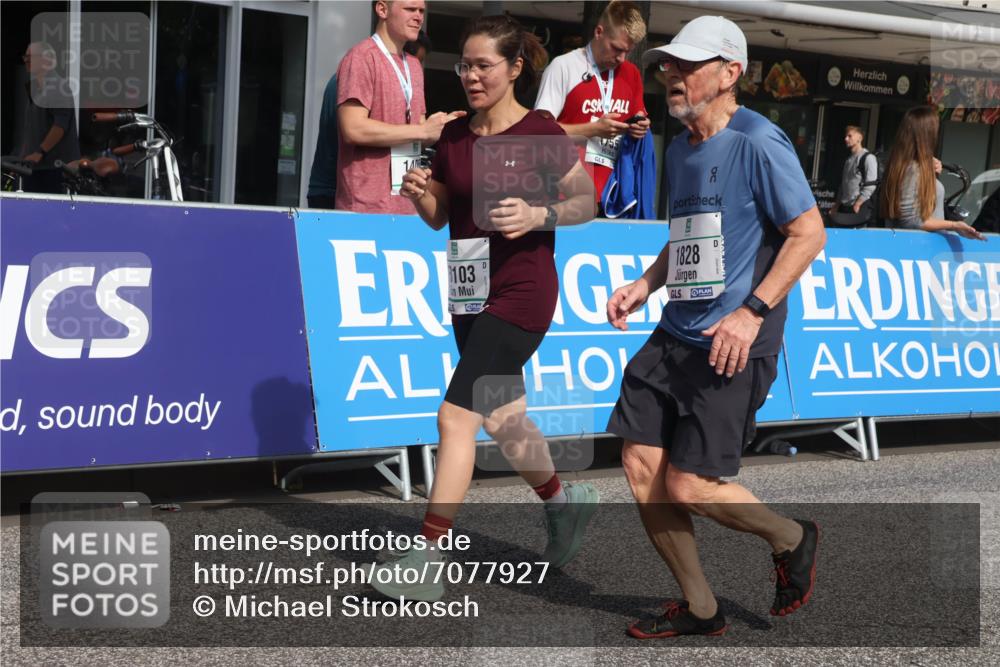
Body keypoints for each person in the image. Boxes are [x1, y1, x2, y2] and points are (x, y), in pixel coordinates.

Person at [605, 16, 827, 638]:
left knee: (692, 486)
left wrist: (750, 312)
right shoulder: (679, 146)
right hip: (676, 331)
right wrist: (646, 284)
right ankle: (702, 607)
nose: (671, 75)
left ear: (731, 73)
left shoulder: (761, 141)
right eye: (668, 64)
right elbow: (687, 238)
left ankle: (792, 536)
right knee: (641, 464)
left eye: (688, 64)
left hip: (734, 341)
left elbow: (809, 234)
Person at [369, 14, 599, 601]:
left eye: (483, 66)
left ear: (515, 67)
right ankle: (563, 504)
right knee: (502, 416)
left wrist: (540, 215)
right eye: (464, 65)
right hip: (469, 291)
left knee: (455, 418)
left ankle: (428, 558)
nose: (470, 76)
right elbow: (445, 214)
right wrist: (424, 194)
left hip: (523, 292)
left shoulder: (540, 133)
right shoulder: (453, 136)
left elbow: (586, 201)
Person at [335, 0, 465, 214]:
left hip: (409, 204)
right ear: (382, 9)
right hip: (365, 206)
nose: (418, 17)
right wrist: (422, 130)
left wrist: (442, 127)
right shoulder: (360, 57)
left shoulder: (413, 65)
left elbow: (418, 134)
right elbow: (352, 129)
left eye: (421, 11)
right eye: (410, 9)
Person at [534, 0, 650, 208]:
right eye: (616, 48)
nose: (621, 58)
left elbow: (638, 115)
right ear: (599, 32)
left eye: (628, 51)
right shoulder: (564, 66)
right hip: (564, 194)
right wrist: (594, 129)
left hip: (613, 196)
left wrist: (639, 126)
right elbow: (539, 133)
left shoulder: (631, 74)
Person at [881, 106, 984, 240]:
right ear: (926, 134)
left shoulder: (905, 166)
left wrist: (930, 172)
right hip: (919, 249)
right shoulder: (912, 169)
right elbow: (912, 221)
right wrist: (954, 225)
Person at [16, 41, 80, 194]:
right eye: (25, 56)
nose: (26, 60)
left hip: (55, 168)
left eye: (31, 57)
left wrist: (40, 152)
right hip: (35, 167)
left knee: (53, 215)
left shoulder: (59, 87)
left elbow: (60, 126)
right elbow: (32, 130)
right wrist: (21, 158)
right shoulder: (35, 88)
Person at [828, 125, 877, 227]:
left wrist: (858, 203)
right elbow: (843, 184)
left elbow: (871, 184)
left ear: (859, 138)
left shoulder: (868, 158)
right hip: (845, 207)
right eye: (846, 136)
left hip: (858, 208)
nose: (846, 139)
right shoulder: (848, 160)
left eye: (850, 136)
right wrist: (837, 205)